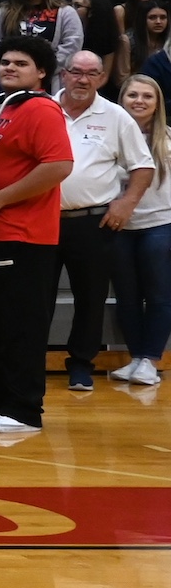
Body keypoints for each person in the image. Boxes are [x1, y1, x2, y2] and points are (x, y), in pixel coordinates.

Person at [0, 36, 76, 435]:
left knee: (22, 325)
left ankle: (26, 410)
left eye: (21, 63)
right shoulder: (2, 107)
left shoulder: (42, 109)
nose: (9, 67)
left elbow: (59, 165)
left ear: (41, 72)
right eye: (5, 61)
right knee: (2, 322)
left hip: (24, 234)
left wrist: (0, 199)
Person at [48, 49, 155, 393]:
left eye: (91, 73)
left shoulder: (115, 116)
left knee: (90, 298)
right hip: (41, 220)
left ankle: (81, 364)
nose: (83, 79)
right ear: (63, 74)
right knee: (35, 297)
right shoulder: (43, 108)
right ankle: (29, 362)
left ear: (101, 78)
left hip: (92, 223)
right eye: (76, 72)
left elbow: (143, 166)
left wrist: (126, 204)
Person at [110, 74, 171, 388]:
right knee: (127, 296)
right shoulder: (109, 136)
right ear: (122, 99)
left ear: (157, 103)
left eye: (147, 96)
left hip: (160, 225)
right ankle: (135, 358)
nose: (139, 101)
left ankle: (151, 358)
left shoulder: (168, 139)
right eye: (133, 95)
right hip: (120, 227)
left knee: (159, 295)